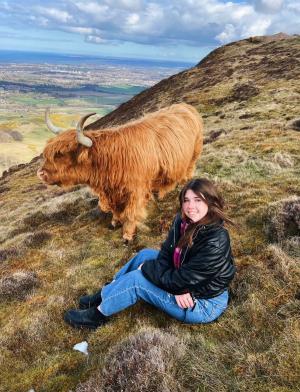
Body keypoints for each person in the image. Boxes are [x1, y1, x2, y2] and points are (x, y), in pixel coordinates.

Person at [64, 178, 236, 329]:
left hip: (203, 302)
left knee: (137, 281)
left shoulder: (216, 239)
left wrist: (148, 270)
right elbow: (166, 254)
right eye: (186, 200)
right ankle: (104, 294)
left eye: (197, 200)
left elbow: (179, 280)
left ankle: (97, 315)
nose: (190, 206)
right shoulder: (183, 221)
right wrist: (163, 275)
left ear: (210, 202)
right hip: (188, 283)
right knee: (145, 254)